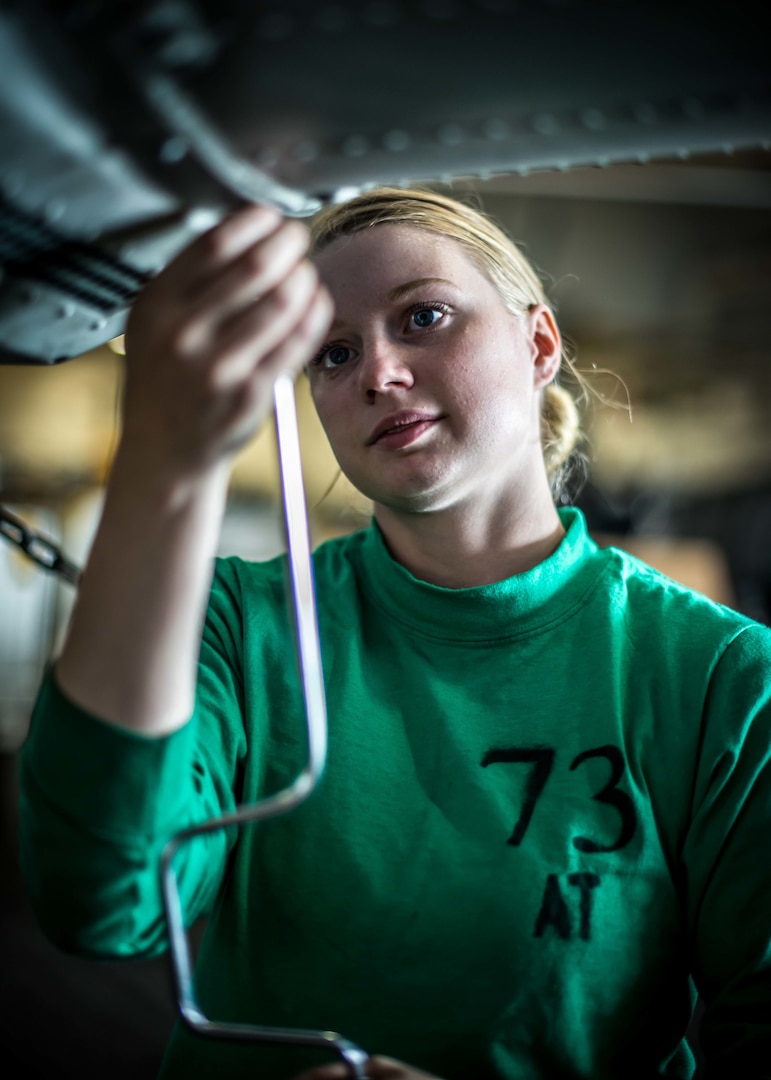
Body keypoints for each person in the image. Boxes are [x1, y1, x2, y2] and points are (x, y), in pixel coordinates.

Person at [19, 189, 771, 1080]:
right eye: (332, 353)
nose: (376, 372)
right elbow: (107, 901)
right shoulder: (236, 623)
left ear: (538, 344)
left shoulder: (718, 676)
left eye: (423, 317)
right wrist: (162, 448)